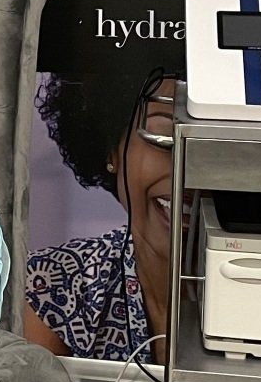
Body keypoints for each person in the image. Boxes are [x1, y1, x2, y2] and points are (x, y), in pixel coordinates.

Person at [24, 64, 178, 364]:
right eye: (163, 136)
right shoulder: (52, 286)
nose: (190, 170)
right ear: (111, 148)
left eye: (216, 146)